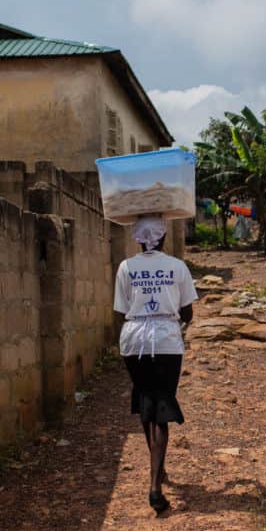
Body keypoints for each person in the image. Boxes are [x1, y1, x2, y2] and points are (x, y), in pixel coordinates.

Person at [113, 217, 198, 514]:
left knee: (147, 402)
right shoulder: (177, 267)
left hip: (133, 340)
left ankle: (157, 468)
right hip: (165, 341)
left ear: (139, 239)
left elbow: (121, 311)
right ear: (163, 239)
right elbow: (188, 313)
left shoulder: (125, 267)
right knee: (161, 407)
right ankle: (154, 486)